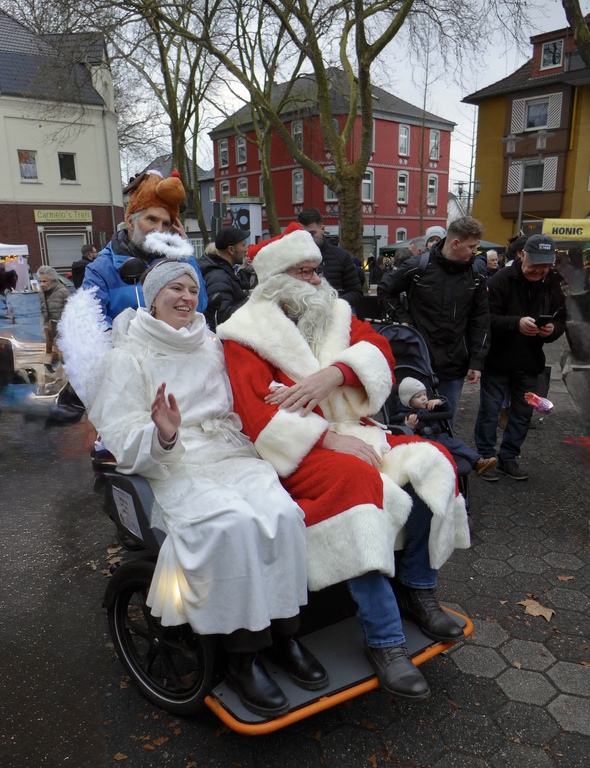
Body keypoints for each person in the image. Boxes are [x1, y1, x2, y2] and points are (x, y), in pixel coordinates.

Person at [63, 257, 327, 718]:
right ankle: (243, 657)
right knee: (231, 525)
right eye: (175, 289)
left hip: (229, 452)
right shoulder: (128, 356)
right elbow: (121, 432)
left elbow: (242, 398)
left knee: (283, 515)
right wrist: (162, 434)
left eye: (192, 289)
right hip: (174, 464)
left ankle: (285, 636)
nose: (186, 297)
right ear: (153, 297)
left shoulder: (211, 343)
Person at [217, 222, 470, 702]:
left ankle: (418, 589)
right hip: (295, 450)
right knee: (354, 484)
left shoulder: (335, 311)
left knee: (434, 460)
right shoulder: (244, 333)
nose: (316, 280)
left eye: (316, 271)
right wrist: (327, 439)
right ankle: (385, 638)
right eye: (304, 272)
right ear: (276, 279)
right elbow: (256, 413)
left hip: (356, 430)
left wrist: (335, 374)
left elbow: (379, 350)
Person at [378, 217, 490, 423]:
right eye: (472, 246)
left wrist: (477, 361)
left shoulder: (477, 273)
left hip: (455, 360)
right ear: (455, 243)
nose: (476, 251)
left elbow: (480, 319)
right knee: (414, 422)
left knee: (445, 421)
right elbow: (385, 290)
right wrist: (403, 319)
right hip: (420, 358)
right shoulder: (419, 266)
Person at [474, 235, 566, 482]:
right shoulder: (500, 280)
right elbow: (485, 318)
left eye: (546, 265)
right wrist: (516, 323)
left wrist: (552, 330)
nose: (540, 270)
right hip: (497, 359)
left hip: (529, 360)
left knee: (523, 413)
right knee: (490, 410)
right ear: (522, 256)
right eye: (535, 264)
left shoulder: (551, 283)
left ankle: (509, 458)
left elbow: (560, 317)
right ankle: (485, 457)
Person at [82, 170, 207, 326]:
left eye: (165, 224)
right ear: (130, 221)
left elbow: (198, 308)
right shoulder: (101, 269)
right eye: (151, 219)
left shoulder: (177, 262)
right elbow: (91, 319)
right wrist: (120, 335)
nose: (159, 230)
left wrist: (185, 254)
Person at [396, 377, 497, 477]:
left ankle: (478, 462)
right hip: (421, 442)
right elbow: (398, 433)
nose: (423, 398)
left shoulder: (430, 406)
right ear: (408, 401)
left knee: (458, 444)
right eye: (418, 396)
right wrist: (408, 426)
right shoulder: (403, 415)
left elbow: (446, 409)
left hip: (439, 437)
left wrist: (439, 401)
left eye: (424, 394)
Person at [297, 208, 363, 310]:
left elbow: (356, 292)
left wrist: (333, 303)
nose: (307, 238)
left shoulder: (342, 257)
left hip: (332, 315)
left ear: (322, 229)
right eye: (303, 234)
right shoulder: (291, 258)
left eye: (312, 233)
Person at [199, 226, 250, 329]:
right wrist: (251, 300)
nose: (246, 249)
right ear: (231, 250)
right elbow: (223, 317)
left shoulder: (224, 272)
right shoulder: (218, 277)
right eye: (243, 245)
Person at [37, 265, 70, 354]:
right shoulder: (42, 293)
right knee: (49, 354)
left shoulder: (63, 292)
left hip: (61, 329)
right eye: (40, 281)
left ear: (52, 280)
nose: (42, 284)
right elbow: (43, 310)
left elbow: (69, 312)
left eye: (44, 281)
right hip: (48, 329)